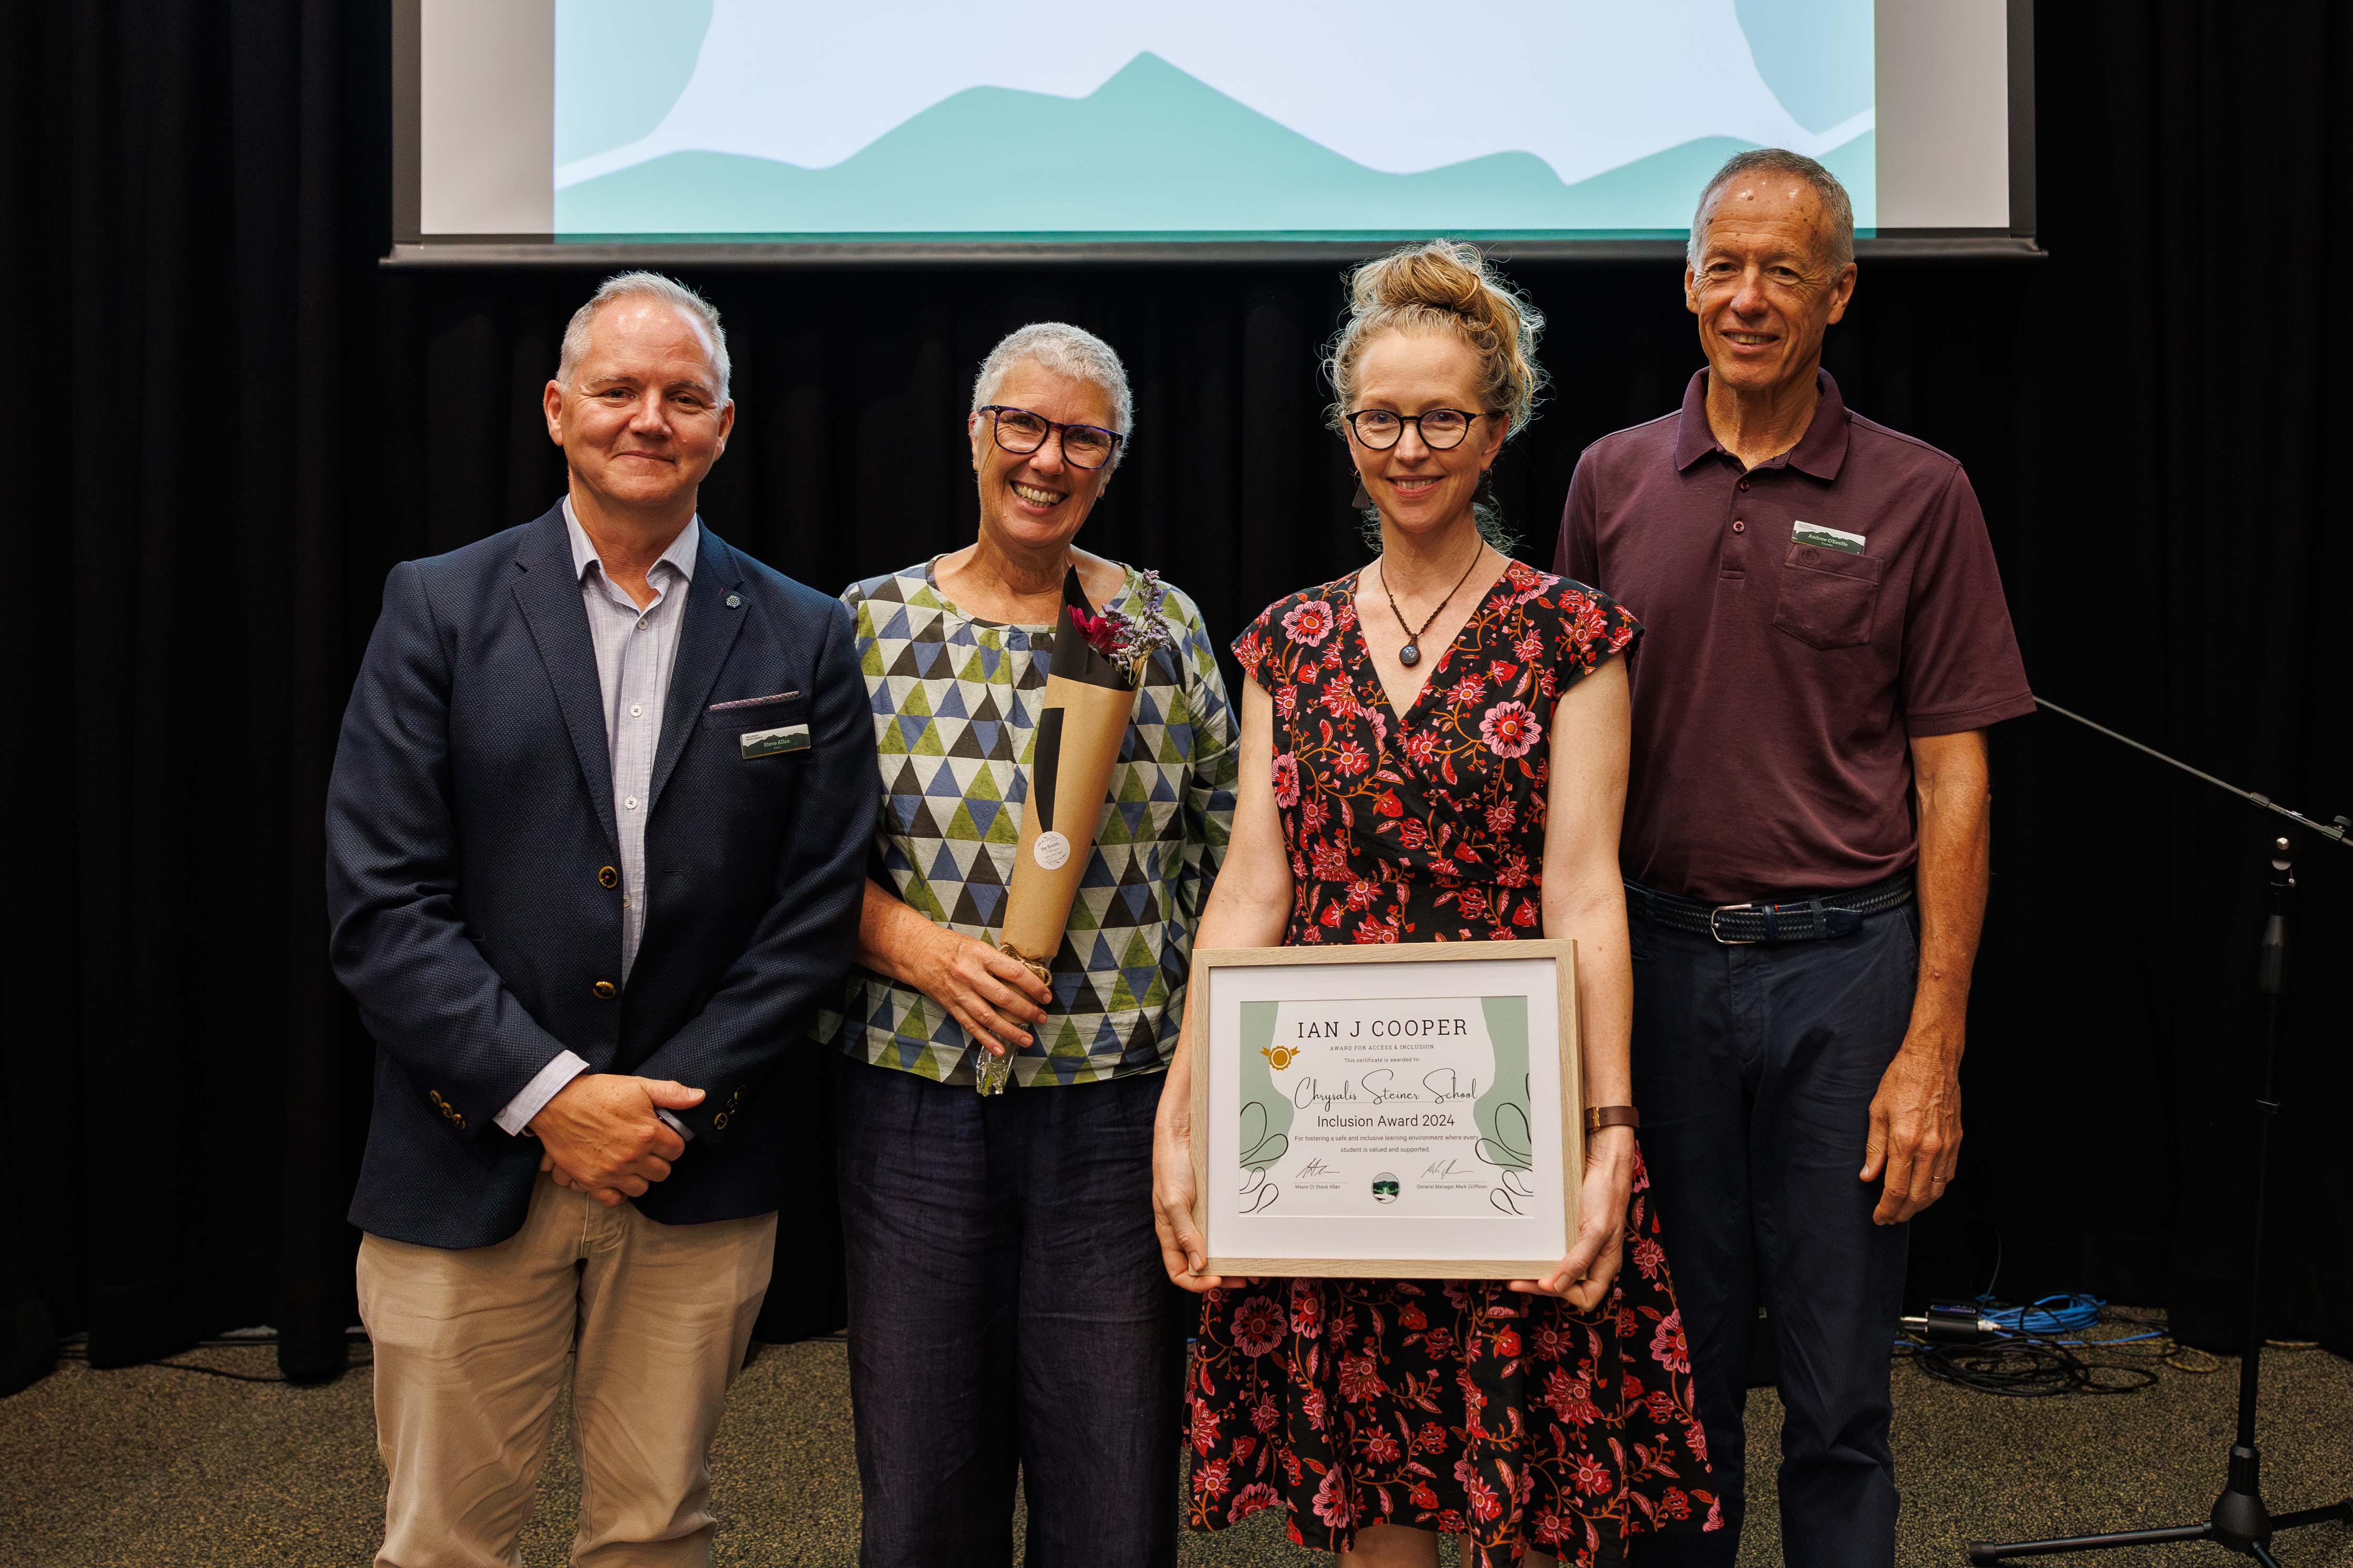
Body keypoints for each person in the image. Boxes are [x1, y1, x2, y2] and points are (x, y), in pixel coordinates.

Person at [1154, 241, 1717, 1568]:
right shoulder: (1284, 643)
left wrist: (1607, 1135)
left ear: (1500, 425)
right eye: (1381, 417)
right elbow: (1251, 886)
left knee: (1530, 1511)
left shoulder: (1572, 633)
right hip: (1335, 1150)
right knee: (1378, 1522)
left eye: (1443, 417)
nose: (1410, 447)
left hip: (1504, 1147)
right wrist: (1182, 1115)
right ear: (1347, 426)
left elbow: (1585, 894)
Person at [325, 272, 873, 1567]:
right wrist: (554, 1092)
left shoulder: (803, 632)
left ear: (725, 426)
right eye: (619, 391)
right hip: (468, 1154)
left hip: (694, 1156)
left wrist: (657, 1102)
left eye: (683, 396)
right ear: (558, 410)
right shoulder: (438, 606)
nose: (649, 418)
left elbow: (811, 912)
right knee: (444, 1540)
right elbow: (381, 905)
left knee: (654, 1532)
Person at [1554, 151, 2034, 1566]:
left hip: (1845, 976)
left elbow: (1952, 772)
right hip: (1652, 969)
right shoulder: (1608, 480)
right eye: (1722, 264)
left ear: (1835, 292)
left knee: (1836, 1392)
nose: (1745, 296)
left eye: (1781, 269)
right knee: (1667, 1380)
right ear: (1685, 282)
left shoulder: (1918, 492)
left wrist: (1930, 1043)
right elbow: (1570, 766)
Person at [815, 322, 1239, 1566]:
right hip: (913, 1105)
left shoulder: (1159, 628)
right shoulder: (866, 624)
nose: (1047, 458)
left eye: (1082, 437)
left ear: (1112, 462)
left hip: (1115, 1111)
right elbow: (788, 869)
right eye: (1024, 425)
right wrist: (917, 947)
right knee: (921, 1488)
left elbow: (1227, 858)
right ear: (975, 435)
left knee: (1112, 1495)